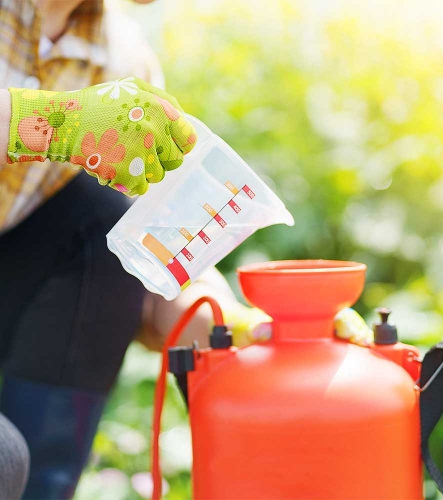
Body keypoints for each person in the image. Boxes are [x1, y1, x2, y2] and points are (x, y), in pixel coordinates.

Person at [0, 1, 265, 498]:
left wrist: (247, 329)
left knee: (103, 219)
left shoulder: (125, 63)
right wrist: (51, 122)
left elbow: (147, 263)